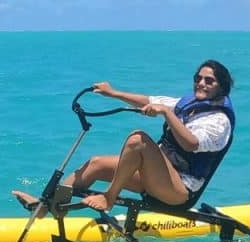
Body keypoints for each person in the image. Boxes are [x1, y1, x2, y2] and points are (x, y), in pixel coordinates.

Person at [13, 60, 235, 214]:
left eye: (209, 81)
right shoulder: (189, 103)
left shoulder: (219, 121)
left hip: (179, 192)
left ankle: (109, 198)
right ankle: (46, 208)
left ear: (221, 87)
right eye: (198, 78)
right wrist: (113, 93)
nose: (201, 83)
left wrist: (166, 113)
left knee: (137, 140)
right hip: (158, 178)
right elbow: (147, 99)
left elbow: (191, 143)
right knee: (96, 164)